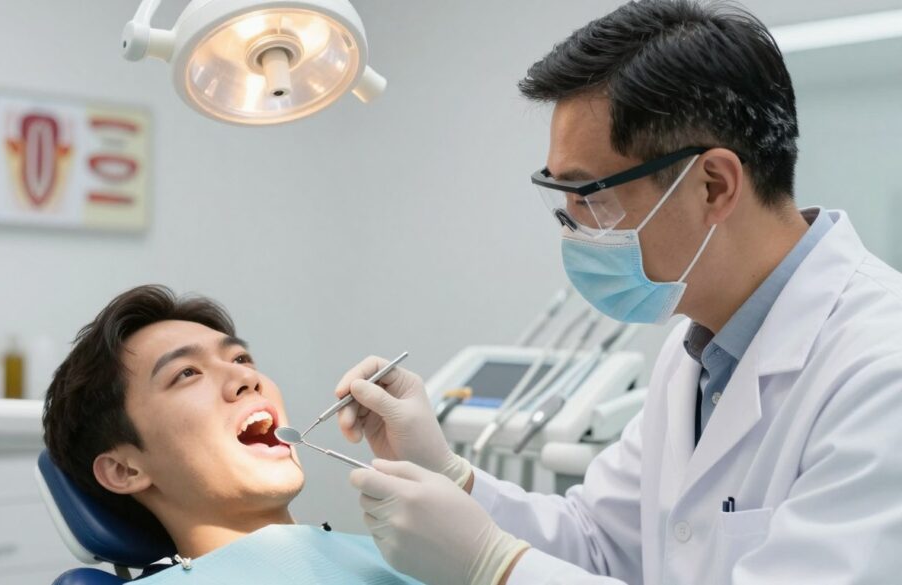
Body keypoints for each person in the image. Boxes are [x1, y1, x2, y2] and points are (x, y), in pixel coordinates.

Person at [334, 1, 902, 584]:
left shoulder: (880, 372)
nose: (573, 228)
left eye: (591, 197)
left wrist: (496, 566)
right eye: (563, 199)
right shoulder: (698, 354)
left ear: (713, 186)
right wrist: (451, 475)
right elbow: (599, 543)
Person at [42, 284, 423, 584]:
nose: (246, 378)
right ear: (125, 470)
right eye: (187, 373)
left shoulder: (415, 559)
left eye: (240, 359)